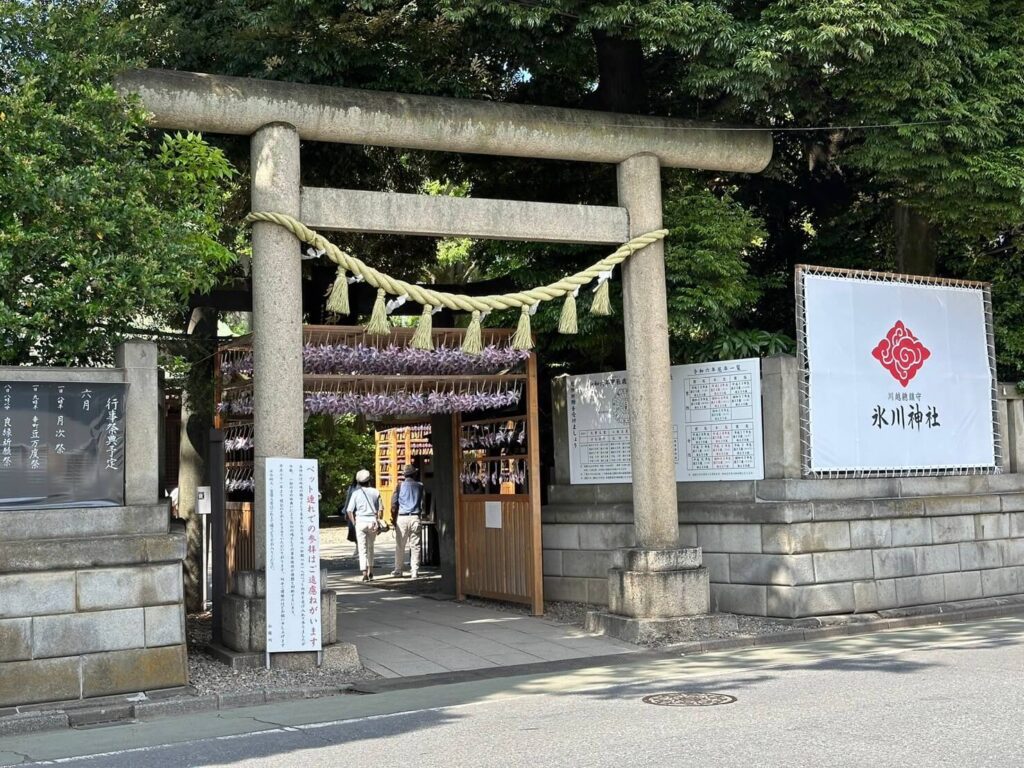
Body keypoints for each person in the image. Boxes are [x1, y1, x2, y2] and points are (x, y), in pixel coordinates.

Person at [345, 469, 383, 581]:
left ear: (358, 482)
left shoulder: (355, 493)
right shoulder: (375, 492)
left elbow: (349, 510)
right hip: (372, 521)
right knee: (371, 547)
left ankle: (364, 573)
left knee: (362, 549)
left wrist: (354, 522)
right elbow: (380, 509)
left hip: (360, 522)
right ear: (369, 480)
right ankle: (371, 570)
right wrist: (379, 519)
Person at [391, 464, 424, 578]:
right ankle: (414, 570)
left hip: (402, 517)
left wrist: (393, 519)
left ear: (404, 475)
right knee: (415, 546)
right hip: (415, 516)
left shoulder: (399, 486)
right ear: (414, 474)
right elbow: (423, 502)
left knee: (400, 545)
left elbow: (394, 505)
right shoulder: (420, 486)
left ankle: (398, 570)